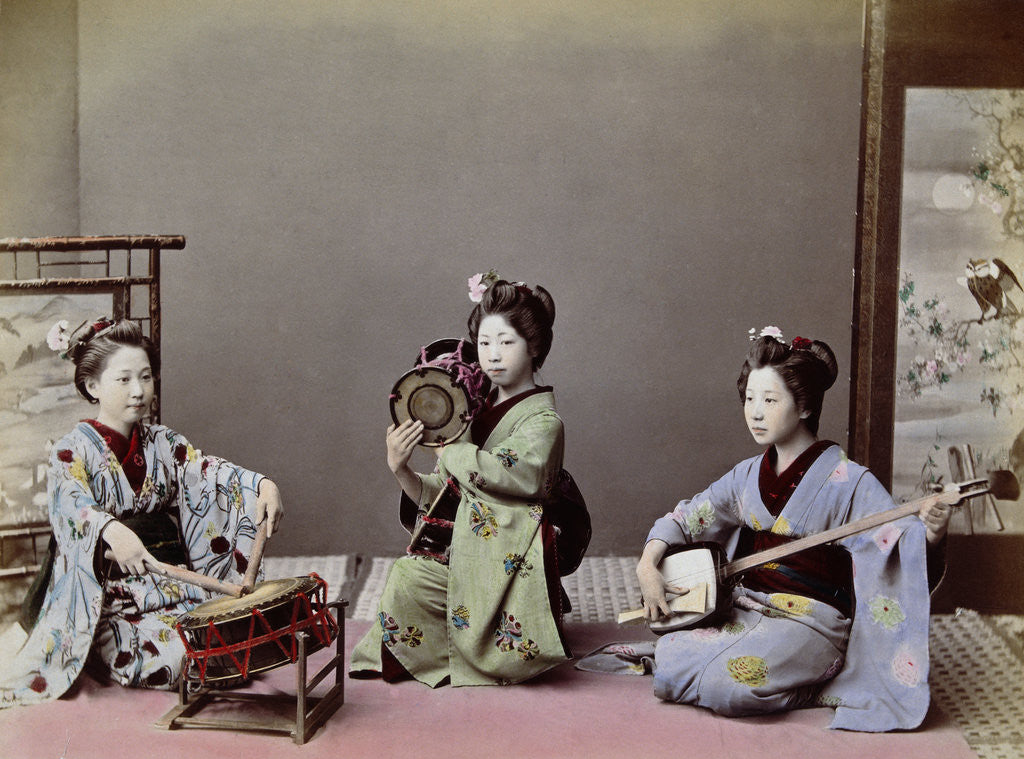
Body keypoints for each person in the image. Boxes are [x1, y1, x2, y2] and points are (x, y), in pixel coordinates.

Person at [579, 328, 951, 732]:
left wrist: (930, 534)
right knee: (671, 660)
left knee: (731, 686)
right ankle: (781, 670)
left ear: (805, 406)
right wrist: (648, 563)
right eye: (750, 399)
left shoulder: (851, 481)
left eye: (770, 401)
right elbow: (687, 517)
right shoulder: (747, 476)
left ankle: (820, 682)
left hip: (814, 620)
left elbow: (898, 548)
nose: (755, 412)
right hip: (749, 604)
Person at [0, 318, 284, 707]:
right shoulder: (71, 452)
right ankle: (98, 656)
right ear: (92, 385)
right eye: (124, 380)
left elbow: (208, 472)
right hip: (110, 597)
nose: (139, 391)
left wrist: (260, 485)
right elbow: (72, 505)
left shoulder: (163, 443)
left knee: (228, 638)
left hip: (170, 584)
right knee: (179, 657)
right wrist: (110, 530)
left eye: (146, 378)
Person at [350, 277, 577, 687]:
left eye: (506, 343)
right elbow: (451, 494)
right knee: (406, 575)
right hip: (473, 545)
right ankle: (432, 651)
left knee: (409, 580)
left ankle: (467, 652)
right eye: (485, 343)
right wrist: (401, 469)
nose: (493, 356)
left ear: (535, 347)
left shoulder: (544, 422)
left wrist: (448, 450)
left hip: (510, 551)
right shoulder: (477, 409)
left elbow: (505, 475)